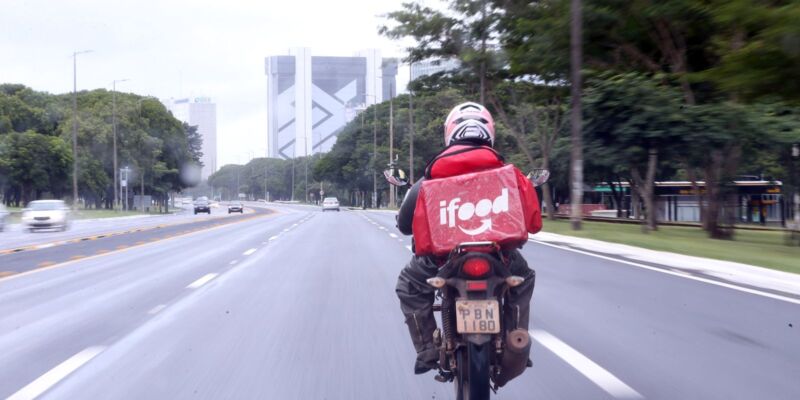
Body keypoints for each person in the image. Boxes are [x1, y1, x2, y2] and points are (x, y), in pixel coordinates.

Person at [395, 102, 542, 375]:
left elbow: (405, 226)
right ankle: (516, 340)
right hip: (501, 258)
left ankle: (427, 350)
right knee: (524, 279)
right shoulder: (510, 174)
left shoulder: (428, 179)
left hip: (441, 259)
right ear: (490, 134)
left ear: (449, 133)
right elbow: (533, 223)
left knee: (409, 285)